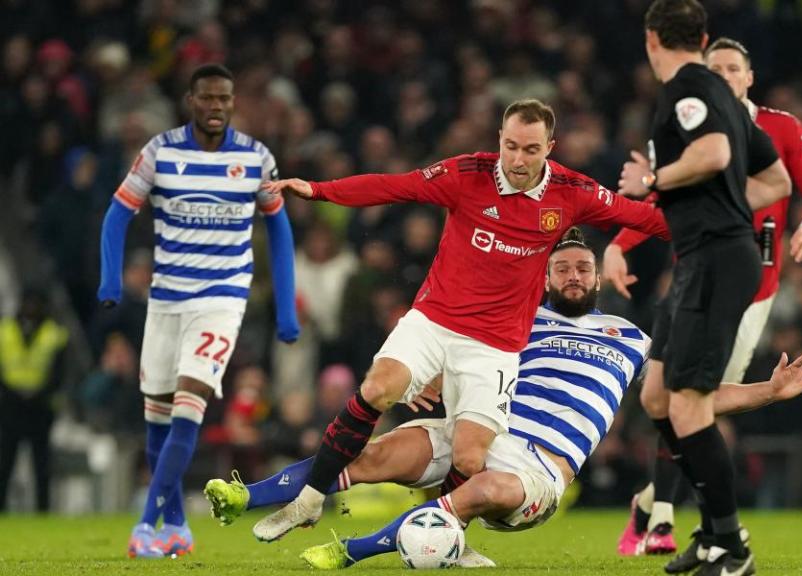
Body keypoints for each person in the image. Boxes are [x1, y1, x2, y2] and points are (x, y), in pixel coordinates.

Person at [202, 228, 802, 569]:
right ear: (547, 278)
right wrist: (428, 382)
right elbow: (459, 356)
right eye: (563, 270)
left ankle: (349, 553)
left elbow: (693, 399)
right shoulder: (517, 321)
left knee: (485, 491)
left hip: (538, 467)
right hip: (479, 428)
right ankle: (245, 497)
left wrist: (768, 391)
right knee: (369, 455)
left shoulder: (632, 338)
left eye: (583, 268)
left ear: (598, 277)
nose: (575, 277)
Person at [252, 99, 671, 542]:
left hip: (495, 344)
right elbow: (395, 186)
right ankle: (309, 500)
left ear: (550, 147)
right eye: (511, 146)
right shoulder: (467, 174)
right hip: (435, 319)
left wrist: (719, 220)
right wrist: (319, 190)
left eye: (530, 149)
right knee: (379, 387)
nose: (517, 159)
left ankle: (446, 537)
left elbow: (648, 218)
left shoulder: (572, 191)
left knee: (471, 459)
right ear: (499, 140)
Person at [608, 36, 802, 558]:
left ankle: (665, 514)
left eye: (735, 69)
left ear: (749, 77)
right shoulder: (692, 126)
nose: (726, 77)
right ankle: (666, 518)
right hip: (693, 274)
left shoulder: (780, 127)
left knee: (695, 400)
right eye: (718, 69)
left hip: (753, 289)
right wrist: (620, 244)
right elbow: (661, 202)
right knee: (671, 396)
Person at [97, 63, 299, 558]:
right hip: (166, 299)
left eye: (224, 99)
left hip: (221, 300)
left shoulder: (256, 158)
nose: (216, 107)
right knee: (156, 421)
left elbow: (279, 229)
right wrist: (111, 279)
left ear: (233, 103)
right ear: (191, 100)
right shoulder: (160, 152)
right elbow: (117, 212)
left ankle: (146, 525)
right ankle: (179, 528)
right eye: (207, 98)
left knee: (190, 405)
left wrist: (286, 308)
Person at [0, 289, 68, 512]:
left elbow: (60, 372)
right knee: (5, 461)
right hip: (10, 405)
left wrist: (42, 393)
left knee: (42, 463)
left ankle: (43, 509)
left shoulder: (53, 333)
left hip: (40, 406)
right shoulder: (5, 330)